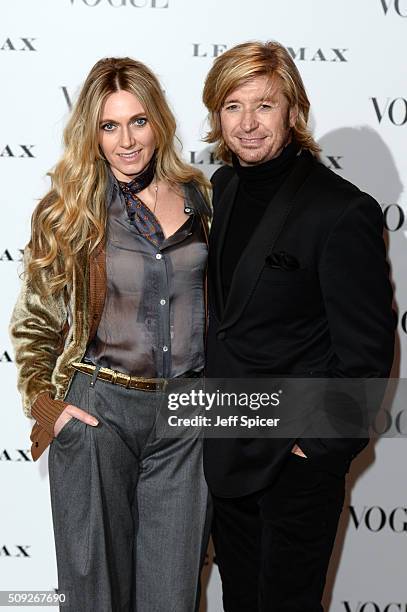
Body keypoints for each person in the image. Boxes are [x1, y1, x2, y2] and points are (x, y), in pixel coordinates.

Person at [10, 57, 212, 612]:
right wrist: (51, 409)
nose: (127, 140)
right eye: (109, 125)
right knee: (95, 595)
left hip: (186, 419)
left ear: (159, 122)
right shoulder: (69, 211)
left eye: (138, 121)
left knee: (172, 597)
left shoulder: (201, 198)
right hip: (100, 412)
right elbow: (35, 324)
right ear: (92, 134)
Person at [202, 41, 395, 611]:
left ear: (293, 111)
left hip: (295, 464)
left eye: (264, 105)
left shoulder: (340, 210)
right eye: (232, 106)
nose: (248, 123)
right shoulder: (223, 189)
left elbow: (367, 350)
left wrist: (315, 448)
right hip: (227, 450)